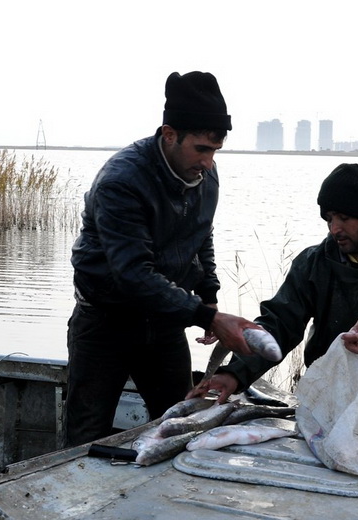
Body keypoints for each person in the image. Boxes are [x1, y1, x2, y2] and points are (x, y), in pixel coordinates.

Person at [65, 71, 258, 447]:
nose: (208, 161)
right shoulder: (122, 181)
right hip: (106, 321)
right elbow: (133, 274)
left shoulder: (205, 175)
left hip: (165, 323)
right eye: (201, 148)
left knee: (179, 425)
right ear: (169, 134)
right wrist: (209, 318)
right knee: (85, 437)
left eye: (215, 150)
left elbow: (201, 233)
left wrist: (208, 292)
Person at [189, 163, 358, 411]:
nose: (334, 228)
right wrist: (234, 374)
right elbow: (279, 324)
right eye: (329, 218)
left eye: (344, 217)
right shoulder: (314, 262)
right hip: (329, 401)